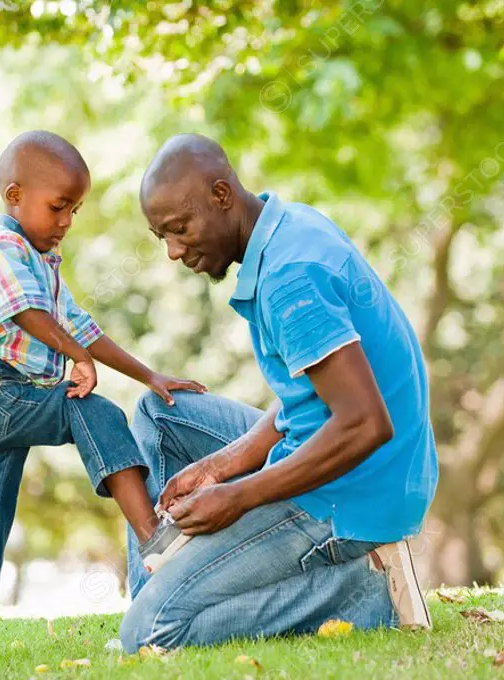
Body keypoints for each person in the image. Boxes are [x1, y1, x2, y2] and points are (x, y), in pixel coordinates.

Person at [119, 134, 438, 652]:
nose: (175, 251)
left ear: (222, 195)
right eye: (163, 238)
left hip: (353, 491)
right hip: (349, 455)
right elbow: (312, 393)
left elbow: (364, 423)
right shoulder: (290, 227)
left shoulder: (291, 277)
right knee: (160, 415)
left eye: (180, 229)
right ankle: (157, 589)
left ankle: (363, 592)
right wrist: (222, 465)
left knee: (149, 636)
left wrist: (239, 495)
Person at [0, 131, 204, 670]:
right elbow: (28, 313)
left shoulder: (42, 261)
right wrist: (77, 357)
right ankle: (152, 537)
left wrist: (149, 375)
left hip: (1, 400)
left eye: (74, 210)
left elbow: (80, 326)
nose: (66, 222)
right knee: (93, 409)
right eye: (58, 207)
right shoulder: (2, 250)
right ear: (14, 196)